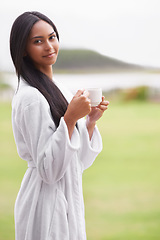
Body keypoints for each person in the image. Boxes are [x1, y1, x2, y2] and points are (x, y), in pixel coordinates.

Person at [10, 11, 109, 240]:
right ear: (23, 49)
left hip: (67, 198)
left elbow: (76, 164)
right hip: (44, 204)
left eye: (52, 37)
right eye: (38, 41)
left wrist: (90, 123)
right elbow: (49, 171)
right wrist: (70, 119)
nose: (49, 46)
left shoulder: (60, 90)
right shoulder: (31, 98)